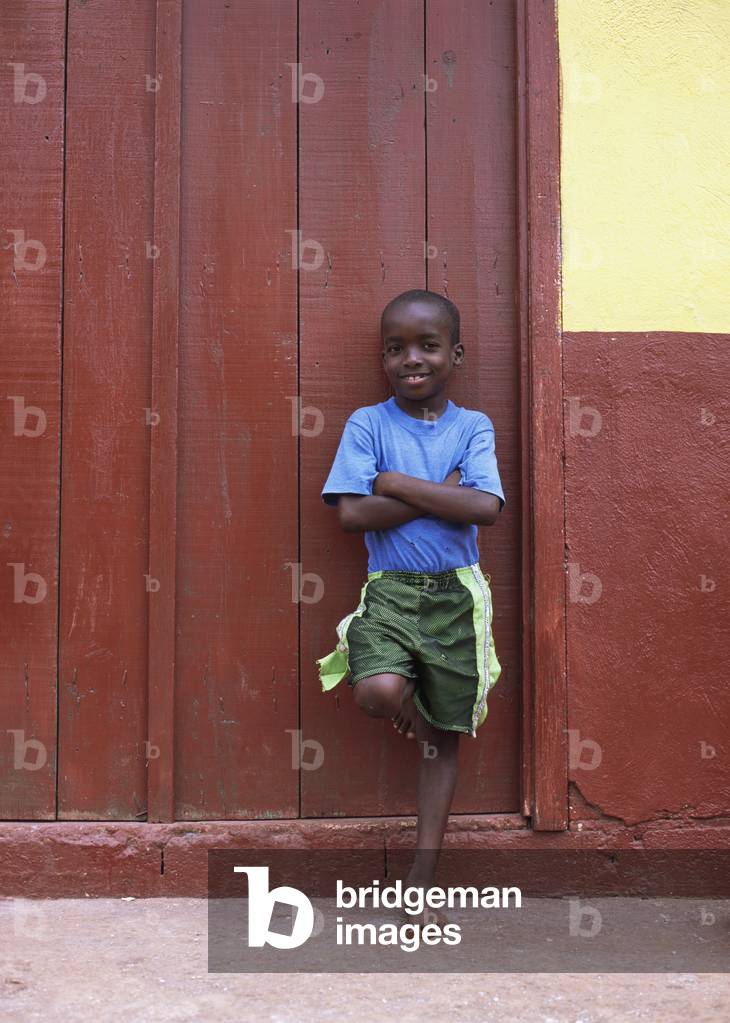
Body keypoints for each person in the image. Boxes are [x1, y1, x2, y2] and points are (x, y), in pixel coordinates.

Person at [315, 289, 505, 924]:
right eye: (395, 348)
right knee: (377, 692)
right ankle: (408, 703)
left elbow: (485, 508)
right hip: (391, 589)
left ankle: (424, 872)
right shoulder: (368, 424)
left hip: (457, 594)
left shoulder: (473, 426)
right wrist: (437, 490)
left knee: (445, 738)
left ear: (456, 353)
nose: (411, 360)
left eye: (427, 346)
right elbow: (353, 514)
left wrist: (394, 483)